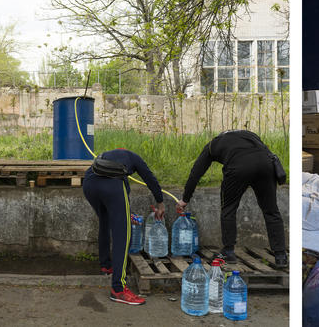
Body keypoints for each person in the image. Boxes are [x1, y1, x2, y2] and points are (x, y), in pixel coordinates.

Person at [177, 130, 287, 268]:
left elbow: (196, 173)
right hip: (266, 165)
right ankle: (281, 255)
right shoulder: (249, 134)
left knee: (228, 208)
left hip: (238, 167)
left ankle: (228, 251)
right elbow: (264, 150)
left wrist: (185, 199)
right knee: (271, 210)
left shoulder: (212, 145)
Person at [83, 148, 166, 305]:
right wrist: (160, 203)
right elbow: (150, 179)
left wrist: (124, 213)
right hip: (112, 186)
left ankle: (106, 265)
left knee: (105, 221)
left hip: (89, 183)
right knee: (123, 233)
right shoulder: (134, 158)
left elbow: (121, 198)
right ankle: (118, 289)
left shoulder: (109, 156)